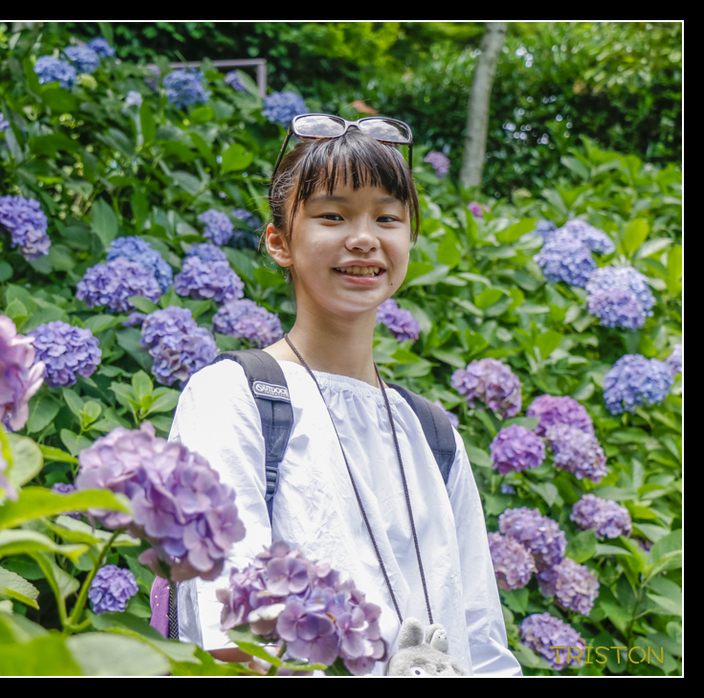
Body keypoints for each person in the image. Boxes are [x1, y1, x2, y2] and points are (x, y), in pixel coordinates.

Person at [167, 116, 522, 676]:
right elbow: (232, 631)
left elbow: (481, 642)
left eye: (387, 218)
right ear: (279, 242)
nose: (364, 237)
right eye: (332, 216)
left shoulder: (432, 433)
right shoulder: (233, 396)